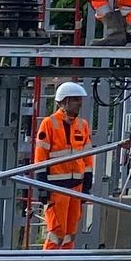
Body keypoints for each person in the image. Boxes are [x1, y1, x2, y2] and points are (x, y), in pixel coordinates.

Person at [33, 80, 94, 250]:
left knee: (70, 230)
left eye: (79, 100)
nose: (79, 103)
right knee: (56, 229)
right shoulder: (49, 123)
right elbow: (41, 156)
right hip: (56, 187)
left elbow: (87, 156)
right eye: (75, 100)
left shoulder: (83, 125)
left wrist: (87, 182)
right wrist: (41, 185)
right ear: (64, 101)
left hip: (76, 186)